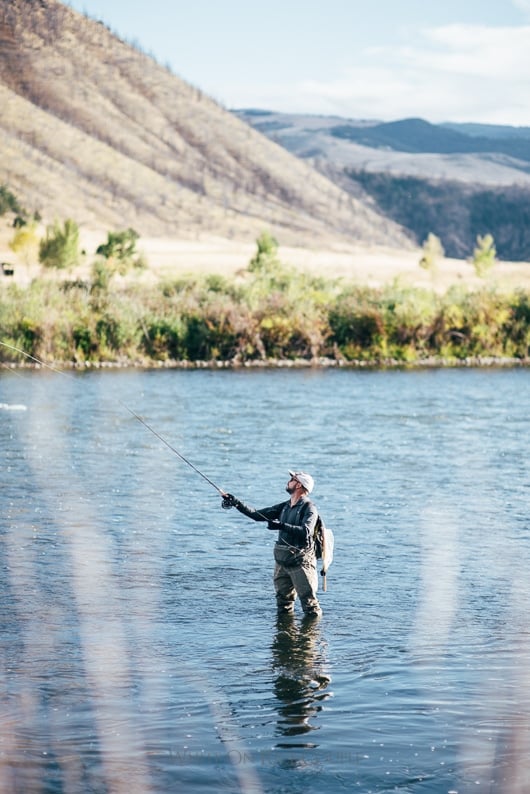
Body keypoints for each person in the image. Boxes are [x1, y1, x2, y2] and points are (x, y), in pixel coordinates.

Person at [222, 471, 322, 618]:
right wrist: (236, 503)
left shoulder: (309, 508)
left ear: (299, 485)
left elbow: (305, 531)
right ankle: (286, 635)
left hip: (300, 562)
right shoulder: (285, 506)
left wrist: (281, 525)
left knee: (309, 605)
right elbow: (256, 515)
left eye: (292, 479)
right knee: (283, 603)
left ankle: (311, 637)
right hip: (282, 561)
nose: (289, 481)